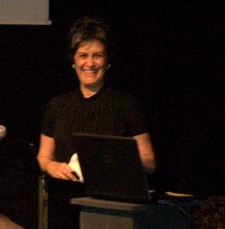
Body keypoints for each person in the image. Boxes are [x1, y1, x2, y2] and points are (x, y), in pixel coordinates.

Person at [38, 16, 157, 181]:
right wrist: (52, 166)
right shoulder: (57, 106)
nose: (90, 63)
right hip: (64, 192)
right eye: (83, 55)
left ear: (107, 60)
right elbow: (43, 157)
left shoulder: (126, 104)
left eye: (97, 55)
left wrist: (116, 159)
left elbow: (149, 163)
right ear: (73, 60)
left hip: (109, 193)